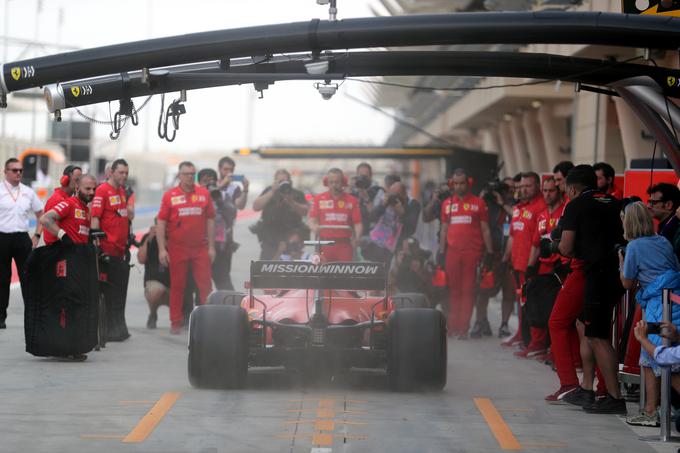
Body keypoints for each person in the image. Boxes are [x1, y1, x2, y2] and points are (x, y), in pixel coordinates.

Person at [548, 165, 626, 413]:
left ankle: (602, 392)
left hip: (592, 273)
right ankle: (589, 387)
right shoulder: (614, 202)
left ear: (571, 187)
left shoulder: (575, 205)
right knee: (586, 327)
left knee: (591, 333)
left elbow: (568, 248)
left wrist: (555, 245)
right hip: (617, 272)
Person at [619, 202, 680, 426]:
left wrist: (621, 260)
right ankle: (655, 409)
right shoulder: (662, 240)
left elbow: (627, 282)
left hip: (656, 304)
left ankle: (651, 412)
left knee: (653, 358)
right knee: (670, 356)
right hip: (674, 300)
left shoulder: (634, 247)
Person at [157, 161, 216, 334]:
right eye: (186, 174)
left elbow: (211, 220)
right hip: (177, 247)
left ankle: (209, 321)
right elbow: (161, 222)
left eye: (192, 174)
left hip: (200, 247)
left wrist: (211, 247)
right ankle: (176, 321)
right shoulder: (170, 195)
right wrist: (162, 249)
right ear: (180, 175)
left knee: (205, 285)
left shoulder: (204, 194)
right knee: (177, 285)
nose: (190, 177)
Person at [515, 176, 567, 359]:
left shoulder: (564, 212)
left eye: (551, 190)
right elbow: (536, 244)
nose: (547, 194)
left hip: (560, 270)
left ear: (558, 191)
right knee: (537, 304)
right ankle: (537, 344)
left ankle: (555, 350)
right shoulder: (542, 215)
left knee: (557, 311)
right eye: (544, 190)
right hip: (543, 268)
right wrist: (530, 267)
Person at [439, 168, 493, 339]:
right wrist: (441, 252)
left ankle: (463, 329)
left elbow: (485, 229)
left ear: (468, 183)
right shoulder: (447, 204)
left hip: (472, 253)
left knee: (468, 291)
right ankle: (453, 327)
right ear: (451, 184)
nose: (459, 186)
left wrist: (490, 252)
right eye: (456, 183)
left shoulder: (478, 203)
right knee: (453, 291)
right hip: (452, 254)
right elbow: (443, 230)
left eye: (462, 183)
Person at [502, 172, 547, 348]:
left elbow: (538, 240)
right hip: (517, 264)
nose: (523, 190)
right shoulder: (519, 208)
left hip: (531, 265)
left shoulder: (541, 207)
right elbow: (512, 236)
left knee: (533, 304)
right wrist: (506, 259)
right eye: (521, 186)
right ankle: (521, 334)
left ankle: (535, 342)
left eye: (527, 186)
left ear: (537, 186)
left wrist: (532, 264)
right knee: (521, 303)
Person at [0, 158, 44, 329]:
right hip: (2, 238)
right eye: (14, 170)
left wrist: (37, 235)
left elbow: (42, 214)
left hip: (22, 238)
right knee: (2, 279)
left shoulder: (28, 192)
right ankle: (1, 316)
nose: (18, 173)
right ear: (6, 172)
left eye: (20, 170)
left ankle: (32, 315)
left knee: (28, 277)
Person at [91, 158, 131, 341]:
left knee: (119, 294)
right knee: (108, 294)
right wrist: (97, 245)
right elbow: (95, 218)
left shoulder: (122, 191)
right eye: (121, 172)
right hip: (107, 250)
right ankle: (106, 330)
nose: (124, 176)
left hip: (120, 251)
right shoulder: (102, 191)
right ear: (112, 172)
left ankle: (118, 329)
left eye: (126, 173)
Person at [252, 169, 309, 260]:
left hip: (292, 238)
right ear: (275, 182)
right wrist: (272, 192)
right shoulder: (269, 191)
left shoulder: (297, 194)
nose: (282, 184)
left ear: (290, 182)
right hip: (271, 238)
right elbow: (256, 207)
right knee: (266, 269)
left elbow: (305, 212)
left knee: (291, 270)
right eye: (280, 182)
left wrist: (292, 202)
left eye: (285, 181)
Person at [308, 168, 362, 262]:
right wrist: (314, 227)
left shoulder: (352, 200)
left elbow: (358, 223)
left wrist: (357, 238)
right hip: (324, 244)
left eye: (337, 182)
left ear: (343, 182)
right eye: (331, 182)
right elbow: (312, 219)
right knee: (323, 274)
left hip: (345, 245)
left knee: (344, 273)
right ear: (327, 183)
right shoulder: (319, 199)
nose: (334, 185)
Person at [211, 156, 249, 290]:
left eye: (231, 170)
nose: (228, 172)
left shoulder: (234, 188)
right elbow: (205, 198)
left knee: (223, 276)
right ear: (219, 169)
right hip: (207, 237)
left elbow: (240, 205)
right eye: (225, 169)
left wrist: (245, 189)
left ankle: (228, 303)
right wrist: (221, 185)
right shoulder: (211, 184)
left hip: (225, 239)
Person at [362, 181, 421, 265]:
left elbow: (410, 229)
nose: (393, 197)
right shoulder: (385, 199)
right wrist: (383, 205)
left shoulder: (413, 204)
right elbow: (372, 217)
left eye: (397, 195)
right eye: (391, 193)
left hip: (397, 248)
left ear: (404, 194)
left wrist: (401, 213)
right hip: (378, 245)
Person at [39, 174, 96, 245]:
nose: (92, 192)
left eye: (94, 189)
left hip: (80, 254)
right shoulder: (69, 203)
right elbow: (45, 219)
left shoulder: (87, 210)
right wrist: (63, 236)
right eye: (88, 189)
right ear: (77, 188)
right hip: (66, 254)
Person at [42, 165, 82, 245]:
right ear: (66, 180)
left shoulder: (69, 200)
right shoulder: (56, 200)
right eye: (77, 180)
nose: (79, 184)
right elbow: (49, 234)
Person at [351, 162, 385, 236]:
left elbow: (375, 216)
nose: (362, 178)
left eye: (365, 176)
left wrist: (366, 197)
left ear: (371, 176)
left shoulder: (378, 191)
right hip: (353, 231)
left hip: (371, 232)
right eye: (360, 175)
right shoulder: (352, 190)